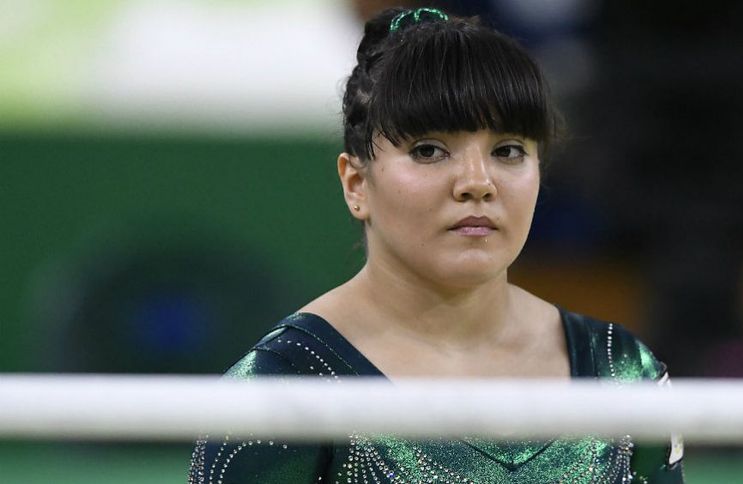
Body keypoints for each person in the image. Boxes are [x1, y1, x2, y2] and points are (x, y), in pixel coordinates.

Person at [188, 7, 684, 483]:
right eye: (429, 150)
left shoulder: (620, 369)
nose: (477, 182)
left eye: (508, 150)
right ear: (356, 184)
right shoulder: (285, 385)